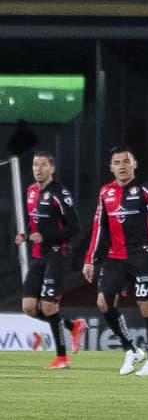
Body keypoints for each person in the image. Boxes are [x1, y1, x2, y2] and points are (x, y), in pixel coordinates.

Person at [82, 146, 148, 377]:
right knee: (103, 303)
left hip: (142, 255)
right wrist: (90, 259)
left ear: (135, 164)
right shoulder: (105, 193)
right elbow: (98, 228)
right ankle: (130, 349)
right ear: (110, 167)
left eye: (126, 161)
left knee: (146, 304)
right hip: (114, 257)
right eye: (117, 162)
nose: (122, 166)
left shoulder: (147, 189)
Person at [15, 150, 86, 368]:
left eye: (43, 165)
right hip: (38, 256)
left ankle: (62, 357)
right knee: (28, 307)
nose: (38, 169)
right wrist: (27, 235)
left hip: (58, 254)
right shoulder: (31, 191)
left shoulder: (60, 193)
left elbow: (75, 227)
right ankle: (72, 326)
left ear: (52, 168)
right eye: (35, 165)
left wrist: (46, 236)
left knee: (47, 306)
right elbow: (35, 222)